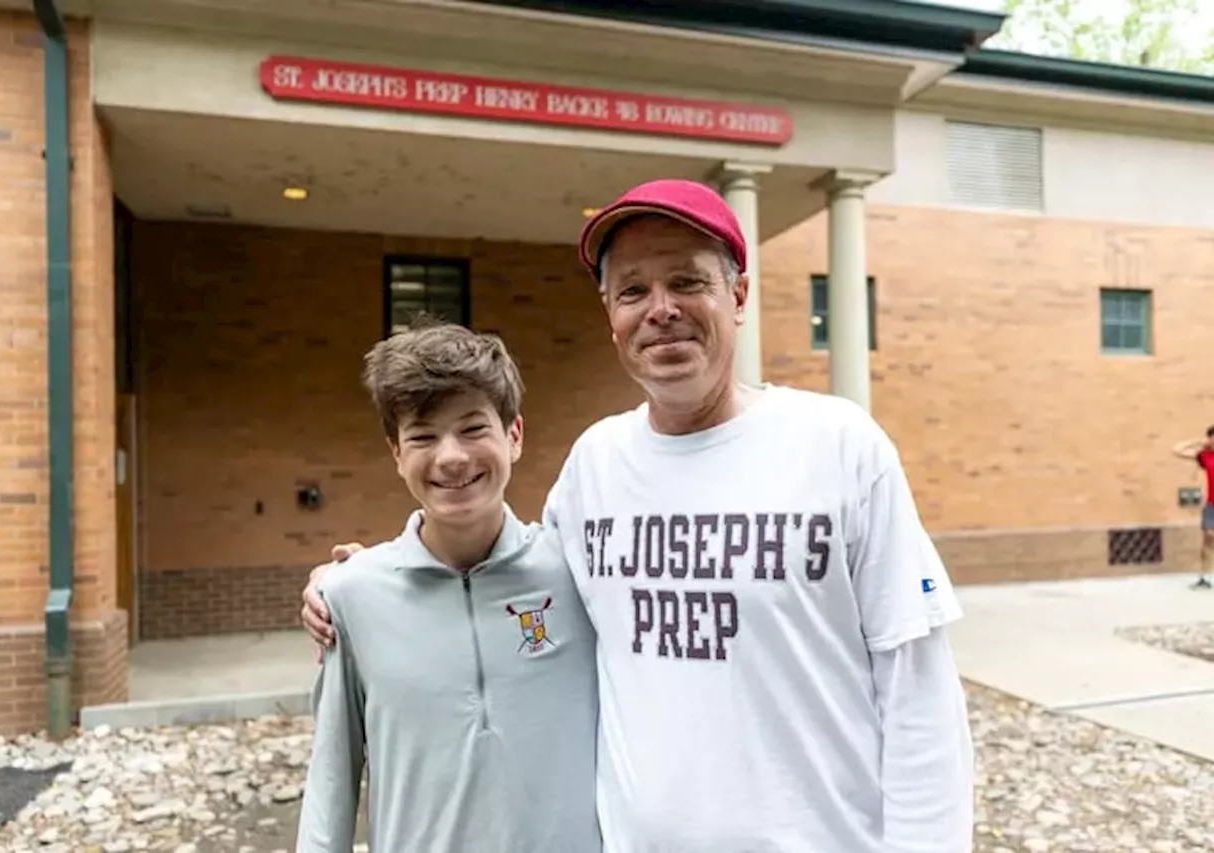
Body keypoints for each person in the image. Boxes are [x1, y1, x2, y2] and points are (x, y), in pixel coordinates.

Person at [303, 179, 975, 852]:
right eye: (633, 291)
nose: (661, 310)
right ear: (611, 316)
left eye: (687, 281)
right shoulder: (596, 465)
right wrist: (366, 582)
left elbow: (919, 694)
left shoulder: (840, 448)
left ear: (737, 296)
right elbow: (506, 575)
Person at [295, 319, 601, 853]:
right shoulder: (352, 598)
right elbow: (331, 781)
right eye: (423, 436)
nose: (452, 456)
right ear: (396, 454)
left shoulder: (580, 571)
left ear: (515, 435)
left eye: (473, 428)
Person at [1172, 425, 1214, 587]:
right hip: (1211, 505)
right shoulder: (1205, 456)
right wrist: (1198, 442)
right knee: (1208, 539)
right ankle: (1204, 577)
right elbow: (1177, 450)